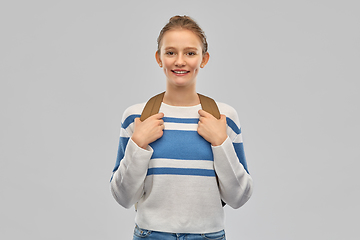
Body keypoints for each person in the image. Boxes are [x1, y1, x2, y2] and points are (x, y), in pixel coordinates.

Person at [110, 15, 253, 240]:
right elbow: (123, 197)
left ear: (204, 59)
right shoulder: (136, 117)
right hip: (151, 235)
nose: (180, 61)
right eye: (170, 52)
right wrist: (138, 144)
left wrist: (221, 142)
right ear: (159, 58)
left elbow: (239, 197)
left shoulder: (224, 117)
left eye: (190, 53)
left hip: (208, 235)